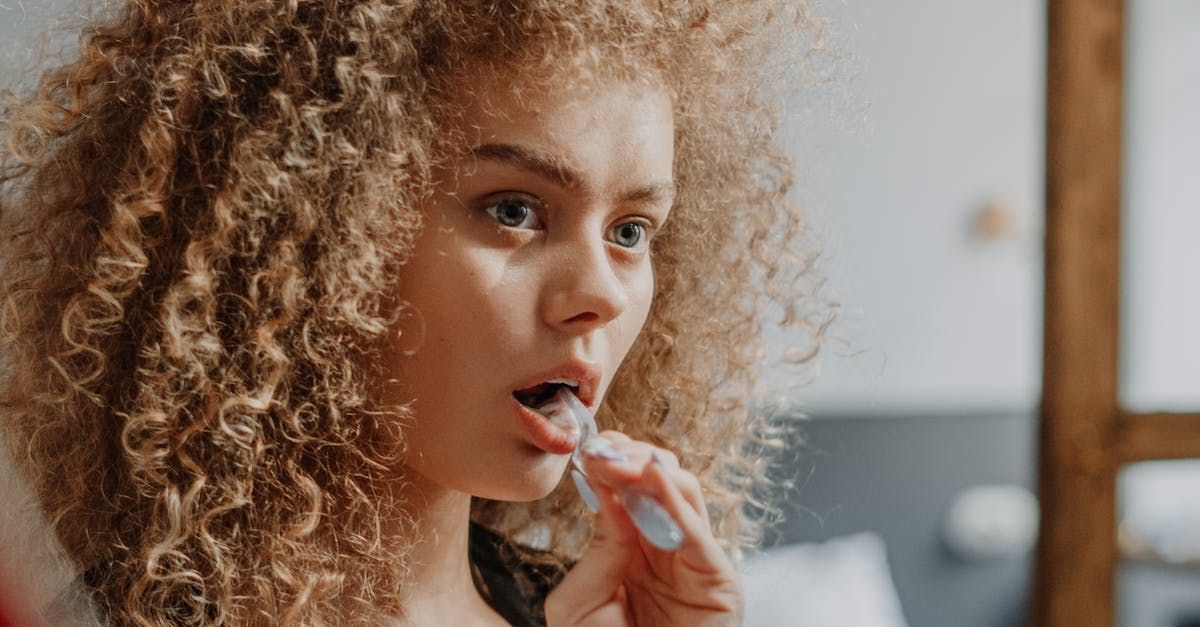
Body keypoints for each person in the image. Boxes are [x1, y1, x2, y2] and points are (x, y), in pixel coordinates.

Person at [0, 1, 830, 624]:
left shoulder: (591, 612)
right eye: (514, 210)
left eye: (631, 230)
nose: (604, 296)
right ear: (317, 224)